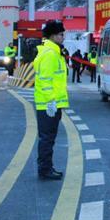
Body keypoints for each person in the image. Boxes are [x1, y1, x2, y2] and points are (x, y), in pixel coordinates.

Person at [32, 20, 69, 180]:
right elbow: (45, 81)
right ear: (53, 35)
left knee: (49, 138)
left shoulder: (54, 52)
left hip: (51, 104)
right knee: (47, 138)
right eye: (61, 35)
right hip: (49, 105)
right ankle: (45, 169)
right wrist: (51, 101)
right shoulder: (50, 54)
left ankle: (46, 167)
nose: (63, 37)